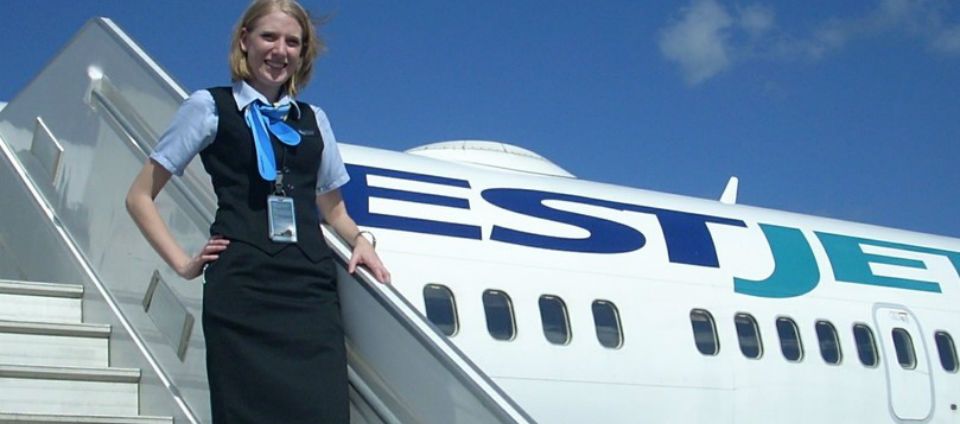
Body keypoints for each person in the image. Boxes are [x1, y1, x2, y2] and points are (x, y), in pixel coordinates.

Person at [125, 0, 390, 422]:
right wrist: (183, 264)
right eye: (269, 37)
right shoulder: (208, 107)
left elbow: (334, 210)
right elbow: (139, 196)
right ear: (245, 40)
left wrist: (361, 241)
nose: (280, 50)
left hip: (308, 291)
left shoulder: (314, 119)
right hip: (241, 290)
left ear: (303, 53)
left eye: (293, 42)